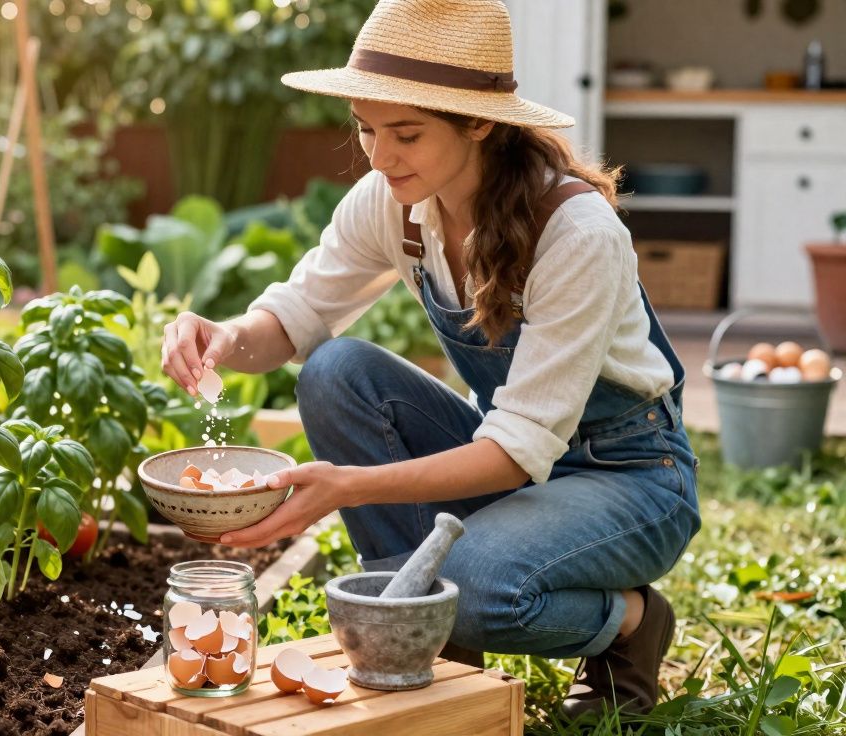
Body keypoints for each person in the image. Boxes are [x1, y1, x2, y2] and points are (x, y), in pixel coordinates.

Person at [159, 0, 701, 720]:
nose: (380, 157)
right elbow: (296, 317)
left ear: (480, 121)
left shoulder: (576, 233)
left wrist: (348, 487)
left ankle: (629, 627)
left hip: (628, 477)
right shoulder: (394, 204)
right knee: (335, 370)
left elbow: (514, 450)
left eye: (406, 133)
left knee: (471, 586)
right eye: (367, 129)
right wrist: (226, 335)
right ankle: (434, 646)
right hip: (510, 459)